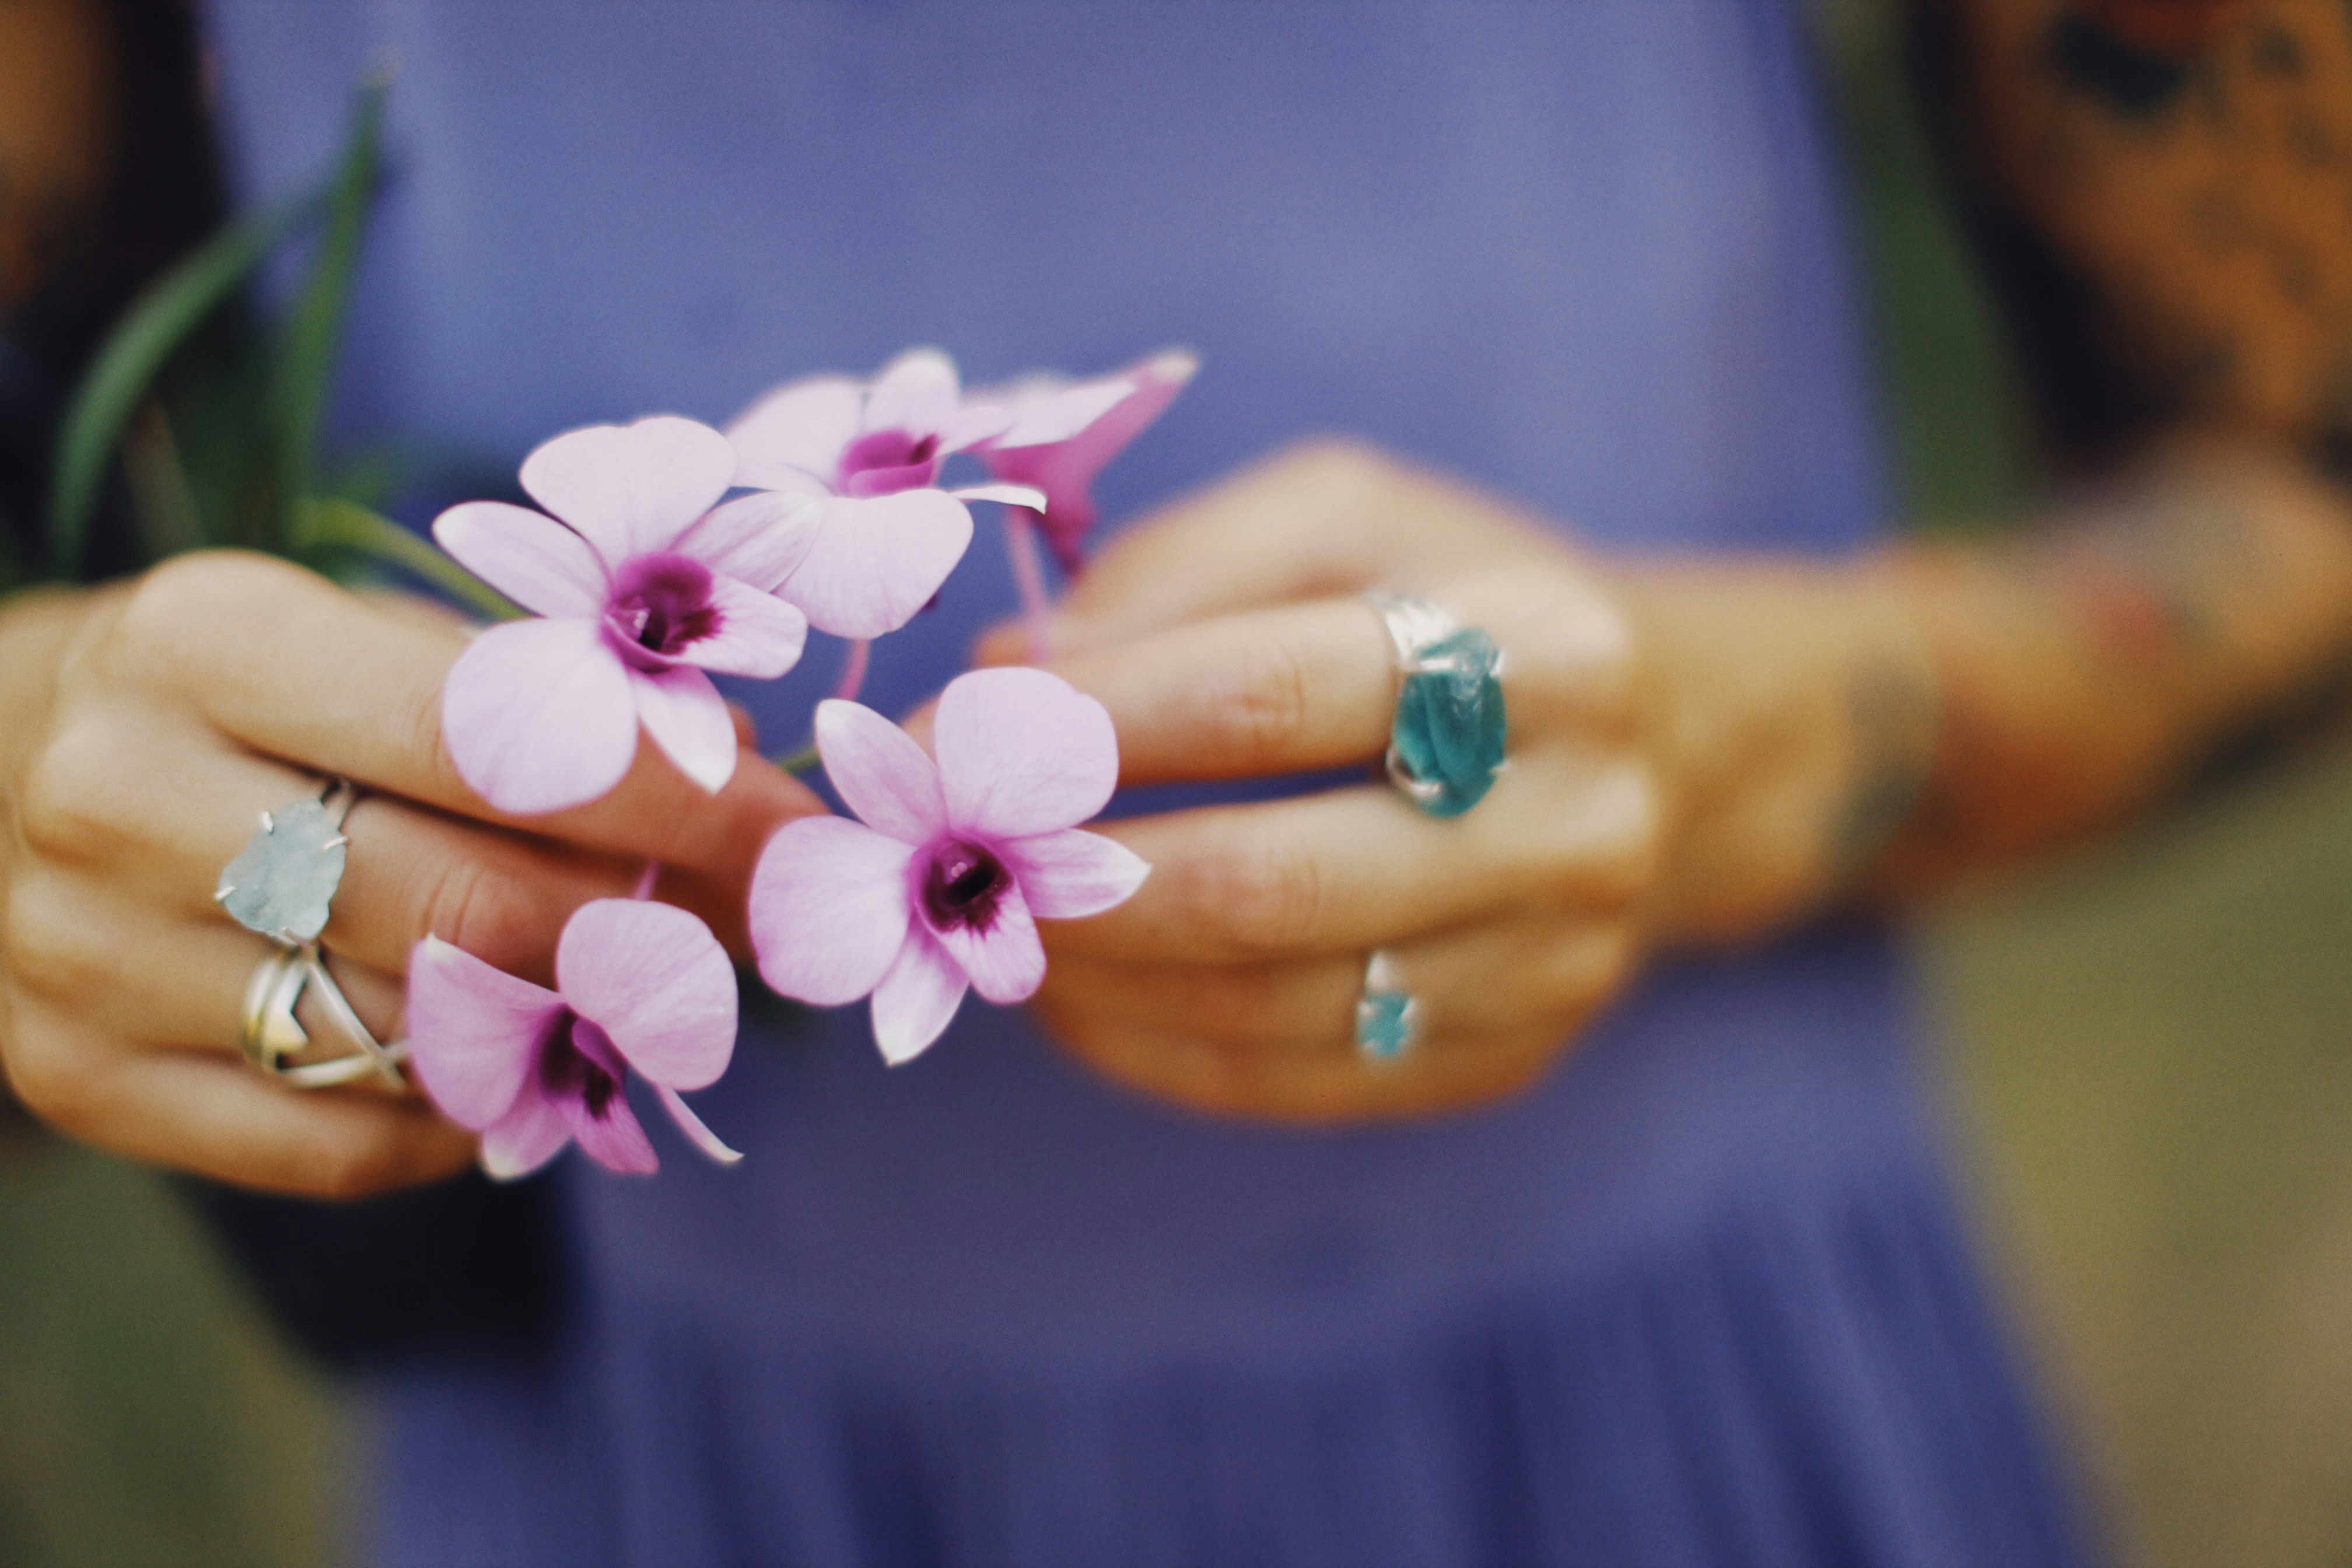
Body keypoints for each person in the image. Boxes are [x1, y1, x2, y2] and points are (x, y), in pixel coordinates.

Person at [4, 0, 2350, 1561]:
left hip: (1656, 1417)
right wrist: (41, 775)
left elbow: (2309, 476)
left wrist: (1765, 729)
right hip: (668, 1444)